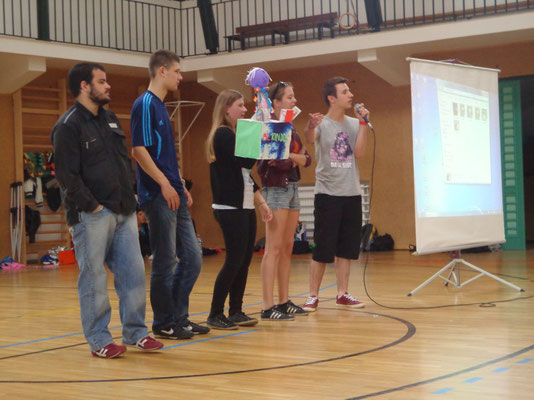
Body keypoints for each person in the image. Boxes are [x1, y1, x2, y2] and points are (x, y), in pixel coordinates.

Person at [52, 63, 163, 358]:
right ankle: (100, 339)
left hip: (124, 211)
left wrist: (132, 201)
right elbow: (67, 177)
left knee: (134, 273)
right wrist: (94, 206)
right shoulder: (68, 126)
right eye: (102, 81)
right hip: (91, 216)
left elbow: (123, 163)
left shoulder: (111, 119)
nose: (108, 86)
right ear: (84, 87)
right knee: (94, 279)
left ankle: (136, 332)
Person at [131, 50, 210, 339]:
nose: (180, 76)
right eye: (177, 71)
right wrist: (164, 184)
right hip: (156, 195)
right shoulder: (145, 104)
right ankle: (164, 322)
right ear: (162, 71)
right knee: (165, 261)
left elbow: (164, 155)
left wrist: (179, 185)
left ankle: (180, 317)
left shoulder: (162, 106)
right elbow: (139, 151)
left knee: (192, 256)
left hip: (173, 192)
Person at [205, 89, 273, 329]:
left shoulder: (232, 133)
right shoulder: (223, 134)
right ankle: (215, 313)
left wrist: (261, 202)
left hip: (243, 205)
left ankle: (235, 310)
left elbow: (245, 174)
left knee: (243, 261)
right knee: (233, 261)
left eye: (245, 106)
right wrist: (256, 130)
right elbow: (246, 160)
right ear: (226, 109)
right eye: (240, 106)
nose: (244, 110)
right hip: (229, 207)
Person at [302, 76, 370, 312]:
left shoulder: (354, 123)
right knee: (322, 249)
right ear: (332, 98)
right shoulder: (321, 123)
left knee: (346, 249)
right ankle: (312, 295)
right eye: (344, 92)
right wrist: (310, 125)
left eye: (349, 90)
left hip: (351, 194)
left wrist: (363, 124)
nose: (350, 95)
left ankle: (343, 293)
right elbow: (309, 139)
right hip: (327, 195)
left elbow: (359, 153)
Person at [257, 82, 312, 320]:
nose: (294, 100)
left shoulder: (292, 129)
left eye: (294, 96)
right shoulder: (268, 128)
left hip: (292, 188)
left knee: (288, 247)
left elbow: (307, 160)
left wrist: (289, 156)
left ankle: (283, 300)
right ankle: (268, 306)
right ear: (276, 102)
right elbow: (273, 163)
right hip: (275, 189)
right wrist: (293, 158)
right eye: (290, 97)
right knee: (273, 248)